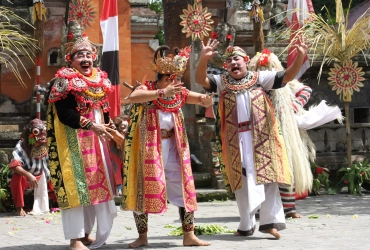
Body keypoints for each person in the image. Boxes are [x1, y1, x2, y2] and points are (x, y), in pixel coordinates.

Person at [195, 37, 309, 239]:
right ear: (225, 66)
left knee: (269, 179)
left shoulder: (260, 78)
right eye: (229, 61)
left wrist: (300, 56)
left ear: (246, 60)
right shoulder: (222, 82)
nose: (233, 63)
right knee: (241, 182)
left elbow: (288, 76)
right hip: (234, 139)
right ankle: (245, 225)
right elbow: (200, 80)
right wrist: (203, 59)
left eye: (237, 59)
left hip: (261, 138)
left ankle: (270, 223)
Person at [113, 45, 213, 248]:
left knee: (185, 188)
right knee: (143, 187)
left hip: (174, 146)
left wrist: (205, 99)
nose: (177, 81)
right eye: (174, 77)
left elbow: (200, 99)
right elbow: (132, 98)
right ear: (165, 77)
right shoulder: (146, 88)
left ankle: (189, 235)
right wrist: (161, 92)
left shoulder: (179, 93)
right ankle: (142, 237)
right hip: (149, 148)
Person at [46, 20, 117, 250]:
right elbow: (64, 113)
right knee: (75, 188)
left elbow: (103, 109)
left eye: (88, 54)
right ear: (71, 60)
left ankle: (86, 234)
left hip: (96, 145)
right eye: (80, 55)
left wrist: (110, 126)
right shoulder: (64, 80)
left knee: (94, 189)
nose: (85, 59)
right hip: (72, 143)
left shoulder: (100, 79)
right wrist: (90, 125)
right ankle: (75, 239)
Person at [248, 48, 342, 219]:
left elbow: (305, 90)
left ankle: (289, 209)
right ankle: (261, 208)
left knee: (287, 167)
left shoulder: (284, 80)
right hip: (260, 131)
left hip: (284, 129)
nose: (264, 71)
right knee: (262, 170)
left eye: (269, 67)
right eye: (260, 68)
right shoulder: (252, 84)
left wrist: (295, 105)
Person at [9, 118, 56, 216]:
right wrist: (28, 175)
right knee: (17, 177)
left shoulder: (47, 144)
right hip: (26, 179)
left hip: (43, 176)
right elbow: (14, 166)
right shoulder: (22, 144)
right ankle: (19, 208)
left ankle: (56, 203)